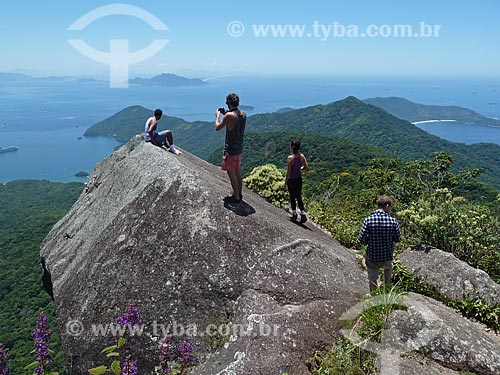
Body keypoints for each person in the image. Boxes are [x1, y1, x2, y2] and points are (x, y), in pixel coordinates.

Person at [358, 195, 402, 292]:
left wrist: (369, 241)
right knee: (387, 277)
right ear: (387, 205)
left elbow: (361, 239)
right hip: (387, 255)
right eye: (390, 207)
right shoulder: (393, 221)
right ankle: (386, 295)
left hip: (372, 255)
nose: (390, 209)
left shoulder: (368, 220)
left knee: (373, 279)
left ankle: (374, 299)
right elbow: (398, 239)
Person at [215, 93, 246, 204]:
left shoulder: (229, 116)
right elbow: (233, 117)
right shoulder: (243, 114)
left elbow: (218, 127)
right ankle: (240, 193)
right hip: (239, 148)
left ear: (228, 103)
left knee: (230, 172)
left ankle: (236, 196)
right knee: (237, 171)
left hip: (231, 149)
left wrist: (218, 116)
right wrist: (226, 113)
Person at [284, 140, 309, 223]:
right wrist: (300, 168)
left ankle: (294, 214)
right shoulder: (301, 156)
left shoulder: (290, 158)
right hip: (299, 179)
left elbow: (288, 171)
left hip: (291, 180)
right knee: (298, 196)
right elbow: (306, 167)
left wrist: (285, 182)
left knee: (292, 197)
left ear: (291, 147)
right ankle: (303, 214)